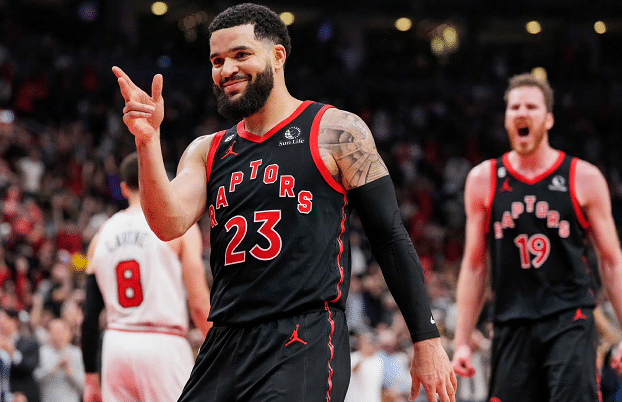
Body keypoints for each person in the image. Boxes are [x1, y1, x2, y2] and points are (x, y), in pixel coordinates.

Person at [112, 3, 456, 402]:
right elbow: (167, 224)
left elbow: (390, 236)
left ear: (277, 56)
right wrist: (147, 141)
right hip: (226, 339)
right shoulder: (207, 151)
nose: (226, 70)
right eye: (217, 61)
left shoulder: (336, 131)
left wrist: (426, 338)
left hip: (302, 335)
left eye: (241, 54)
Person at [451, 72, 622, 402]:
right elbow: (474, 266)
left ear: (549, 119)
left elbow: (612, 260)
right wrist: (462, 340)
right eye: (514, 107)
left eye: (531, 106)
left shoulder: (583, 177)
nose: (522, 113)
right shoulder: (483, 179)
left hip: (570, 316)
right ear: (506, 119)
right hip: (511, 321)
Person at [80, 152, 212, 402]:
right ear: (161, 181)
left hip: (116, 345)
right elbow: (198, 304)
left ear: (124, 188)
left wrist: (90, 379)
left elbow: (89, 316)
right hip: (163, 344)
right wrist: (223, 350)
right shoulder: (178, 224)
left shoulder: (101, 235)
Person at [35, 318, 85, 402]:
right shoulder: (43, 352)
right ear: (49, 334)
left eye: (61, 332)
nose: (58, 336)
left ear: (68, 333)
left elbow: (83, 385)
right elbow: (36, 377)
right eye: (55, 332)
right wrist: (54, 368)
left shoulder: (76, 353)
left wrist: (71, 372)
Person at [0, 307, 40, 402]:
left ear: (14, 321)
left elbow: (29, 367)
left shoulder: (29, 342)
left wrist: (11, 351)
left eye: (3, 320)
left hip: (20, 395)